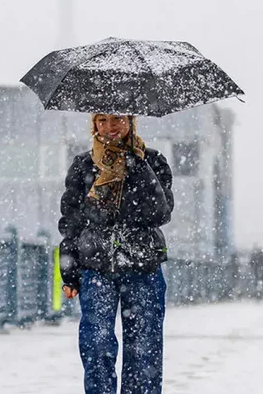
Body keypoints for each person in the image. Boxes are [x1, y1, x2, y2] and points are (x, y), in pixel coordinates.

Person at [58, 113, 174, 394]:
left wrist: (139, 167)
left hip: (143, 266)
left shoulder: (153, 161)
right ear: (94, 124)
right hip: (96, 267)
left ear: (131, 121)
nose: (110, 127)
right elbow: (71, 222)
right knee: (96, 345)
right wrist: (69, 273)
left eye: (118, 119)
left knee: (144, 349)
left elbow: (160, 213)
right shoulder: (84, 165)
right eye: (102, 120)